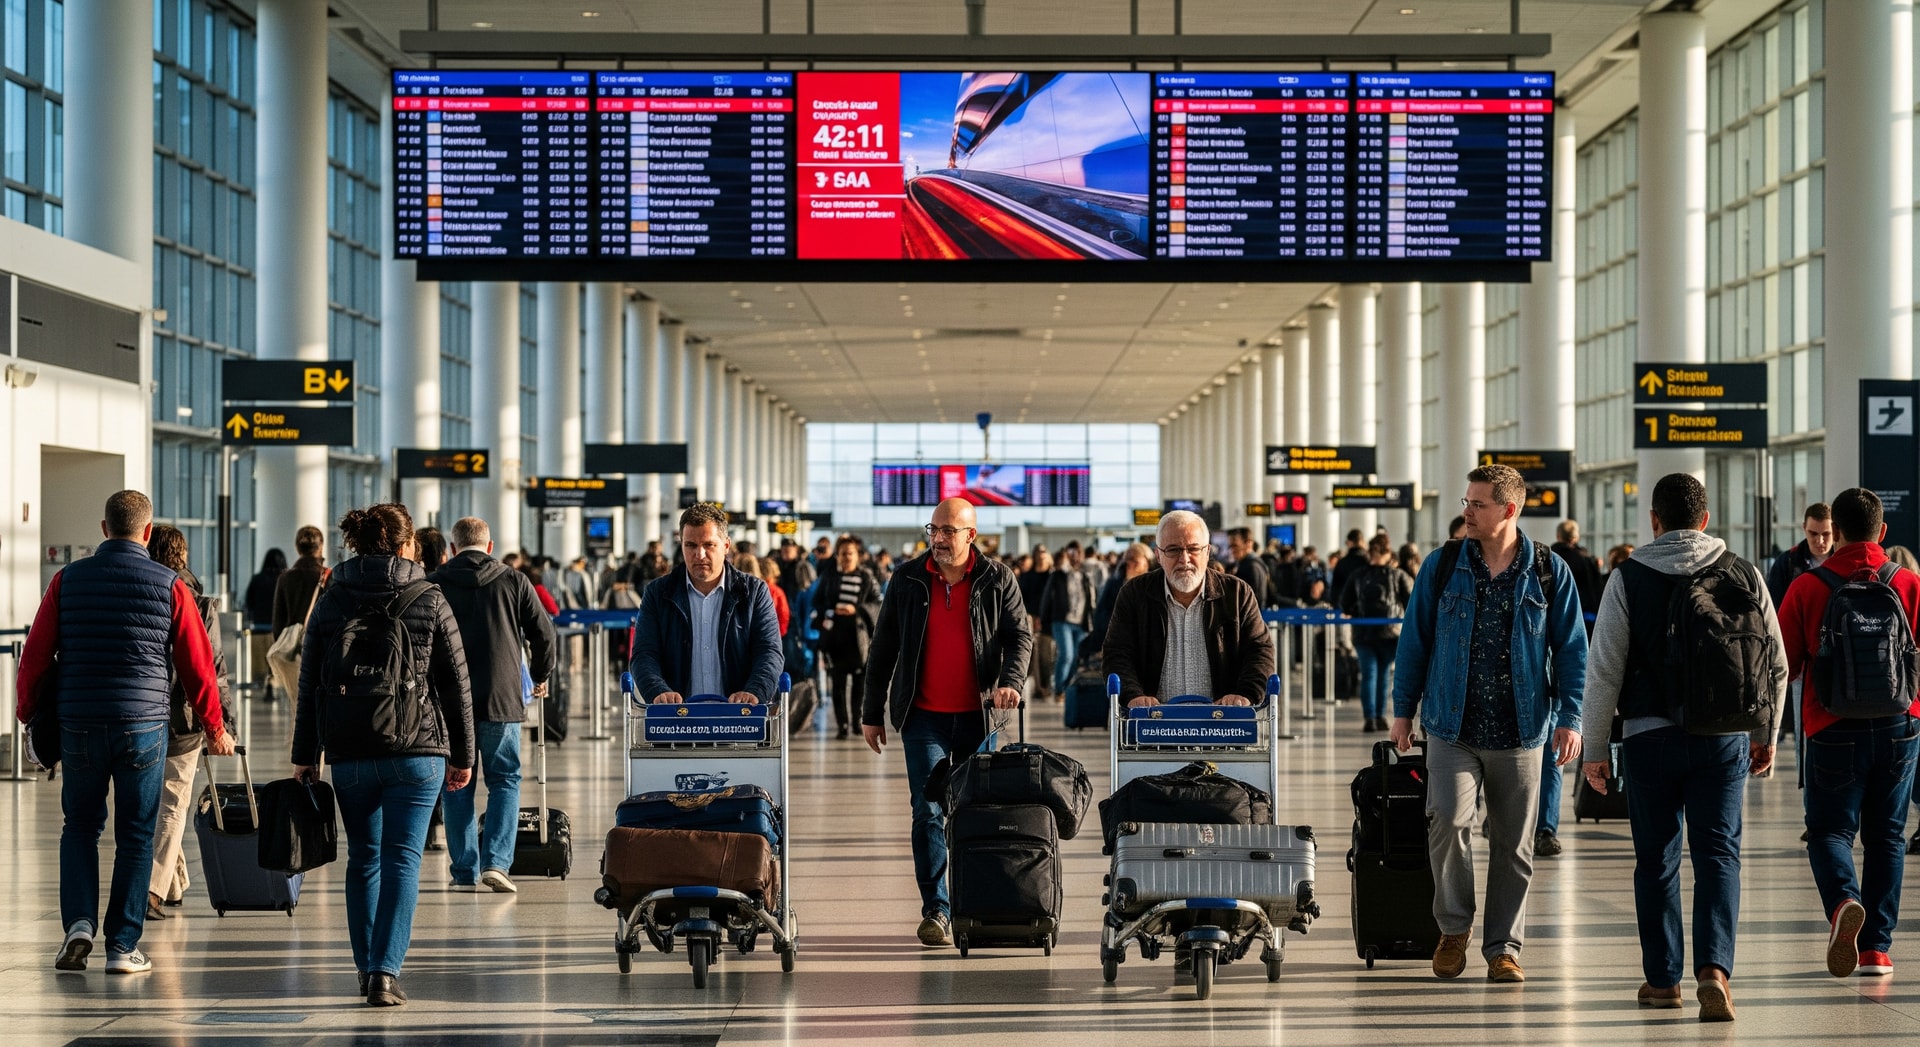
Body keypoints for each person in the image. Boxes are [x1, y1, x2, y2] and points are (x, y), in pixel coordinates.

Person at [1578, 473, 1786, 1020]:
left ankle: (1663, 980)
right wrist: (1764, 734)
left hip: (1650, 739)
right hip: (1724, 738)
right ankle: (1715, 972)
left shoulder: (1629, 577)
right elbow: (1776, 663)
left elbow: (1603, 672)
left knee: (1657, 859)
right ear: (1706, 519)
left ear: (1653, 519)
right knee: (1719, 855)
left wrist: (1594, 748)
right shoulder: (1743, 572)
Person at [15, 492, 235, 975]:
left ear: (103, 527)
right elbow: (197, 667)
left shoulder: (66, 581)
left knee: (80, 827)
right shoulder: (171, 586)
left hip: (80, 724)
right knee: (136, 835)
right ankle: (122, 946)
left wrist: (27, 713)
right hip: (144, 727)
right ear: (148, 532)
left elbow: (33, 656)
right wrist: (215, 726)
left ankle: (77, 927)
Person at [1391, 464, 1588, 983]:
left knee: (1514, 846)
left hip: (1523, 731)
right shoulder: (1442, 565)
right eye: (1467, 501)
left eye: (1477, 504)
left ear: (1509, 509)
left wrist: (1570, 718)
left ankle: (1503, 947)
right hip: (1451, 727)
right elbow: (1415, 642)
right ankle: (1454, 929)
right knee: (1448, 821)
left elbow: (1572, 651)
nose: (1467, 511)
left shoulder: (1549, 570)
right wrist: (1402, 711)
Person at [292, 503, 475, 1006]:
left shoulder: (331, 598)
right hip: (417, 751)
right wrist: (465, 754)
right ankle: (385, 974)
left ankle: (364, 968)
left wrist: (305, 753)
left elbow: (311, 685)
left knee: (364, 860)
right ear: (405, 546)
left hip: (349, 750)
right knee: (402, 860)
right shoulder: (429, 597)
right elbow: (457, 686)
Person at [861, 497, 1031, 947]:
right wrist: (870, 712)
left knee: (977, 811)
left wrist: (1011, 681)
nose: (937, 538)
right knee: (929, 810)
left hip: (980, 719)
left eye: (947, 531)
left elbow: (1019, 637)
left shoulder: (997, 578)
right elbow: (883, 649)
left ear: (970, 535)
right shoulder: (908, 578)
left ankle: (975, 902)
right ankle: (937, 908)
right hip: (923, 719)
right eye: (932, 529)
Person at [1776, 487, 1920, 979]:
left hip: (1832, 725)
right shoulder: (1908, 583)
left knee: (1830, 831)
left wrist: (1765, 735)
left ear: (1833, 532)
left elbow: (1784, 667)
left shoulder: (1809, 587)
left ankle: (1842, 904)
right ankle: (1876, 949)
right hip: (1902, 724)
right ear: (1882, 532)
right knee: (1888, 837)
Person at [428, 516, 558, 895]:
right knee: (505, 779)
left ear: (452, 549)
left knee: (455, 782)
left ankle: (464, 869)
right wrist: (539, 674)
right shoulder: (513, 579)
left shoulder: (435, 583)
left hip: (449, 702)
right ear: (490, 546)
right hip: (501, 699)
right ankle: (497, 863)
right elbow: (544, 633)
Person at [143, 526, 233, 920]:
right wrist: (221, 722)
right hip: (184, 718)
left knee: (160, 801)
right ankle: (155, 888)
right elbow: (212, 668)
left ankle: (167, 882)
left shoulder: (141, 593)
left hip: (142, 713)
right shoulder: (197, 601)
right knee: (173, 803)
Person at [1105, 510, 1275, 709]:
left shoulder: (1237, 594)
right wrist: (1133, 695)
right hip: (1153, 726)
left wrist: (1245, 694)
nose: (1184, 559)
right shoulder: (1134, 594)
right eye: (1173, 550)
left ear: (1207, 551)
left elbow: (1259, 650)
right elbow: (1117, 652)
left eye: (1193, 549)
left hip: (1222, 725)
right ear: (1158, 555)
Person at [629, 504, 783, 706]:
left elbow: (769, 651)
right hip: (677, 723)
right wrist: (658, 691)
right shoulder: (657, 594)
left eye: (709, 545)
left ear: (726, 546)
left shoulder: (754, 593)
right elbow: (644, 653)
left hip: (737, 721)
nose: (699, 555)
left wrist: (755, 691)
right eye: (690, 545)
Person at [1338, 534, 1413, 733]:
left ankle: (1369, 718)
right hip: (1390, 633)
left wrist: (1356, 611)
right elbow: (1411, 602)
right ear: (1388, 553)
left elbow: (1344, 603)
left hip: (1363, 633)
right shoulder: (1397, 575)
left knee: (1369, 675)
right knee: (1384, 675)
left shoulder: (1358, 574)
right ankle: (1380, 716)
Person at [815, 537, 882, 739]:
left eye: (850, 553)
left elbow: (878, 604)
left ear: (857, 555)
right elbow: (817, 602)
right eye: (842, 553)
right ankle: (842, 724)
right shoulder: (829, 577)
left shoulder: (867, 578)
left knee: (860, 683)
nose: (846, 558)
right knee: (837, 683)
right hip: (835, 637)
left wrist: (857, 609)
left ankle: (856, 721)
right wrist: (832, 609)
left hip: (859, 638)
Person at [270, 525, 331, 703]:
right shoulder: (327, 577)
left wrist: (282, 643)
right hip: (320, 650)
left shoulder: (285, 577)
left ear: (298, 548)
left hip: (292, 652)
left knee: (297, 704)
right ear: (320, 547)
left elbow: (278, 619)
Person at [1042, 543, 1098, 702]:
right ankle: (1059, 689)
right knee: (1066, 655)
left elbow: (1091, 600)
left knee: (1077, 657)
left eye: (1077, 552)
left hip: (1081, 623)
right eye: (1071, 552)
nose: (1075, 555)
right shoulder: (1058, 574)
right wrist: (1045, 620)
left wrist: (1093, 621)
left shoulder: (1085, 575)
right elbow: (1047, 597)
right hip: (1062, 621)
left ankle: (1069, 688)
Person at [1767, 502, 1834, 609]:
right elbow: (1774, 608)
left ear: (1835, 530)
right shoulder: (1786, 563)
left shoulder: (1845, 560)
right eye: (1813, 533)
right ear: (1804, 528)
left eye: (1826, 534)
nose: (1820, 541)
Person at [1092, 542, 1153, 650]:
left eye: (1134, 559)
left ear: (1146, 561)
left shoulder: (1155, 583)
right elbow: (1101, 611)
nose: (1130, 563)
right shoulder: (1114, 583)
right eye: (1128, 558)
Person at [244, 548, 287, 700]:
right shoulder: (283, 579)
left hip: (259, 629)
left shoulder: (257, 579)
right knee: (275, 663)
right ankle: (272, 685)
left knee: (261, 663)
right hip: (278, 630)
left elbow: (248, 603)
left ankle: (262, 685)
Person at [1550, 519, 1605, 621]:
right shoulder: (1585, 559)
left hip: (1556, 612)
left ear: (1558, 536)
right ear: (1576, 537)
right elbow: (1596, 586)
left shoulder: (1549, 557)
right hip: (1583, 613)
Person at [1228, 528, 1272, 610]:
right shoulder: (1250, 564)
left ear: (1248, 543)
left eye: (1235, 545)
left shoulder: (1252, 566)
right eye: (1230, 546)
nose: (1232, 550)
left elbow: (1255, 599)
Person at [1331, 528, 1367, 604]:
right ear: (1362, 541)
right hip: (1364, 605)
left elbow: (1335, 588)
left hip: (1345, 604)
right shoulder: (1367, 561)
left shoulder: (1342, 562)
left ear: (1349, 543)